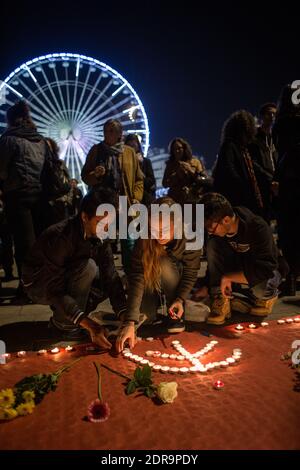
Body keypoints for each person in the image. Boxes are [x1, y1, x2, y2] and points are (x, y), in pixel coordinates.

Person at [22, 188, 127, 345]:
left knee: (109, 280)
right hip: (39, 282)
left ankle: (73, 316)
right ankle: (64, 325)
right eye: (100, 223)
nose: (106, 229)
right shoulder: (61, 237)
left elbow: (110, 274)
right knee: (89, 268)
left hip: (66, 274)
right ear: (85, 216)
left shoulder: (101, 234)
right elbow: (54, 289)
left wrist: (125, 317)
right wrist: (91, 326)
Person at [116, 197, 201, 352]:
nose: (159, 235)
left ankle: (173, 310)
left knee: (164, 263)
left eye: (165, 229)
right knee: (145, 319)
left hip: (175, 276)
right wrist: (130, 321)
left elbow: (190, 272)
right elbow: (138, 278)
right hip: (151, 278)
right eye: (154, 229)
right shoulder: (144, 239)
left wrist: (180, 299)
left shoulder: (190, 235)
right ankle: (153, 305)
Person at [200, 193, 281, 325]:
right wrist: (206, 285)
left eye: (211, 228)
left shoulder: (257, 227)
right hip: (237, 270)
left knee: (261, 290)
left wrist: (229, 277)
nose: (210, 232)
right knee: (212, 245)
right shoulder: (217, 235)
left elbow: (266, 268)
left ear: (226, 220)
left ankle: (267, 295)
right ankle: (224, 299)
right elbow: (215, 263)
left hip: (264, 270)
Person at [81, 119, 144, 275]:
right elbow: (85, 176)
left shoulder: (129, 152)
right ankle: (105, 277)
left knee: (128, 241)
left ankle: (131, 276)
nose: (107, 133)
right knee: (103, 241)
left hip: (124, 201)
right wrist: (95, 175)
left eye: (111, 130)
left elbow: (139, 179)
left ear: (119, 134)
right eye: (105, 130)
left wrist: (136, 196)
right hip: (102, 202)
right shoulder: (96, 150)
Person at [0, 101, 47, 303]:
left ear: (11, 120)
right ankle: (40, 285)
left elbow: (1, 170)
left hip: (17, 196)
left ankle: (26, 289)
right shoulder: (40, 140)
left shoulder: (8, 140)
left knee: (23, 246)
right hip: (40, 196)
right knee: (38, 245)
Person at [213, 110, 269, 220]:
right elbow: (229, 171)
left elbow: (256, 168)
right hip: (236, 201)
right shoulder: (230, 146)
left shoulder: (243, 149)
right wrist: (245, 188)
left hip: (243, 200)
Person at [273, 84, 300, 296]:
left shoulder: (281, 124)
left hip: (288, 183)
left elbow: (278, 152)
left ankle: (291, 276)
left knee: (289, 232)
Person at [162, 138, 207, 204]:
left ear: (184, 148)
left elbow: (203, 179)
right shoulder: (170, 165)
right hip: (176, 200)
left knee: (196, 214)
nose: (177, 151)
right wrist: (176, 174)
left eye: (179, 148)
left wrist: (190, 170)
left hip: (194, 199)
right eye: (175, 149)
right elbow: (165, 183)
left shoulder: (195, 162)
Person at [44, 138, 72, 225]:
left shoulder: (60, 164)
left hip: (60, 205)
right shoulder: (39, 163)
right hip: (45, 204)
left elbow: (68, 182)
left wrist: (67, 200)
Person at [125, 134, 156, 206]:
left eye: (133, 146)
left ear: (138, 146)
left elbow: (151, 181)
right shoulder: (122, 162)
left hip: (144, 199)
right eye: (129, 147)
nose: (131, 149)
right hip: (128, 198)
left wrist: (138, 168)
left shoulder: (146, 162)